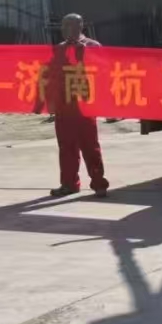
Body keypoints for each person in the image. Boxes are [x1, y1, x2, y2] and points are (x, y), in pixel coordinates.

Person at [50, 13, 110, 200]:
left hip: (85, 106)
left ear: (80, 26)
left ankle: (98, 183)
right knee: (66, 147)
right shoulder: (59, 49)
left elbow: (104, 71)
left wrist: (84, 54)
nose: (65, 29)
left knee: (90, 146)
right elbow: (52, 75)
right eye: (64, 25)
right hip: (64, 106)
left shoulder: (92, 46)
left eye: (70, 25)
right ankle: (69, 184)